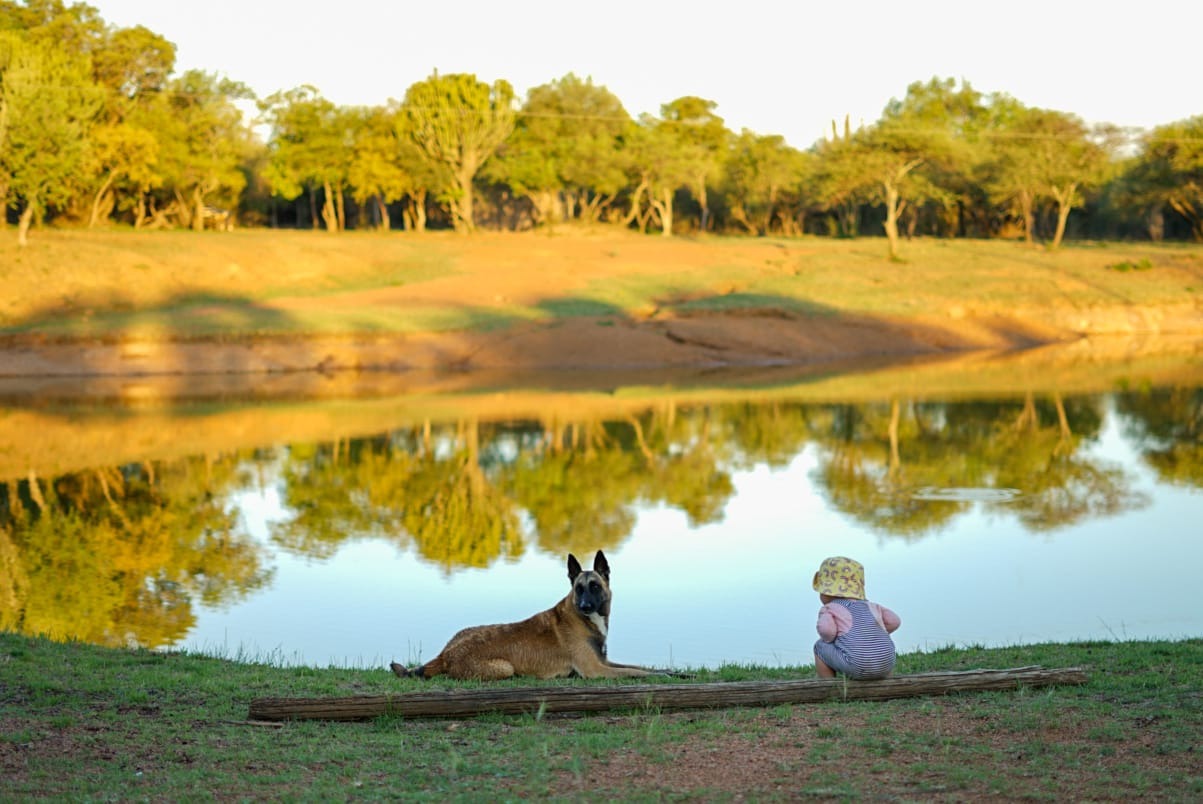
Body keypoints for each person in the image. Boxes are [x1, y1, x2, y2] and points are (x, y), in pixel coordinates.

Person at [812, 556, 901, 680]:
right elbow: (894, 621)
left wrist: (836, 639)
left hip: (857, 666)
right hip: (887, 663)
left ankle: (829, 685)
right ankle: (886, 681)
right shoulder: (872, 606)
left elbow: (827, 632)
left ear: (827, 592)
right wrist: (870, 633)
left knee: (820, 646)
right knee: (880, 642)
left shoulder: (830, 608)